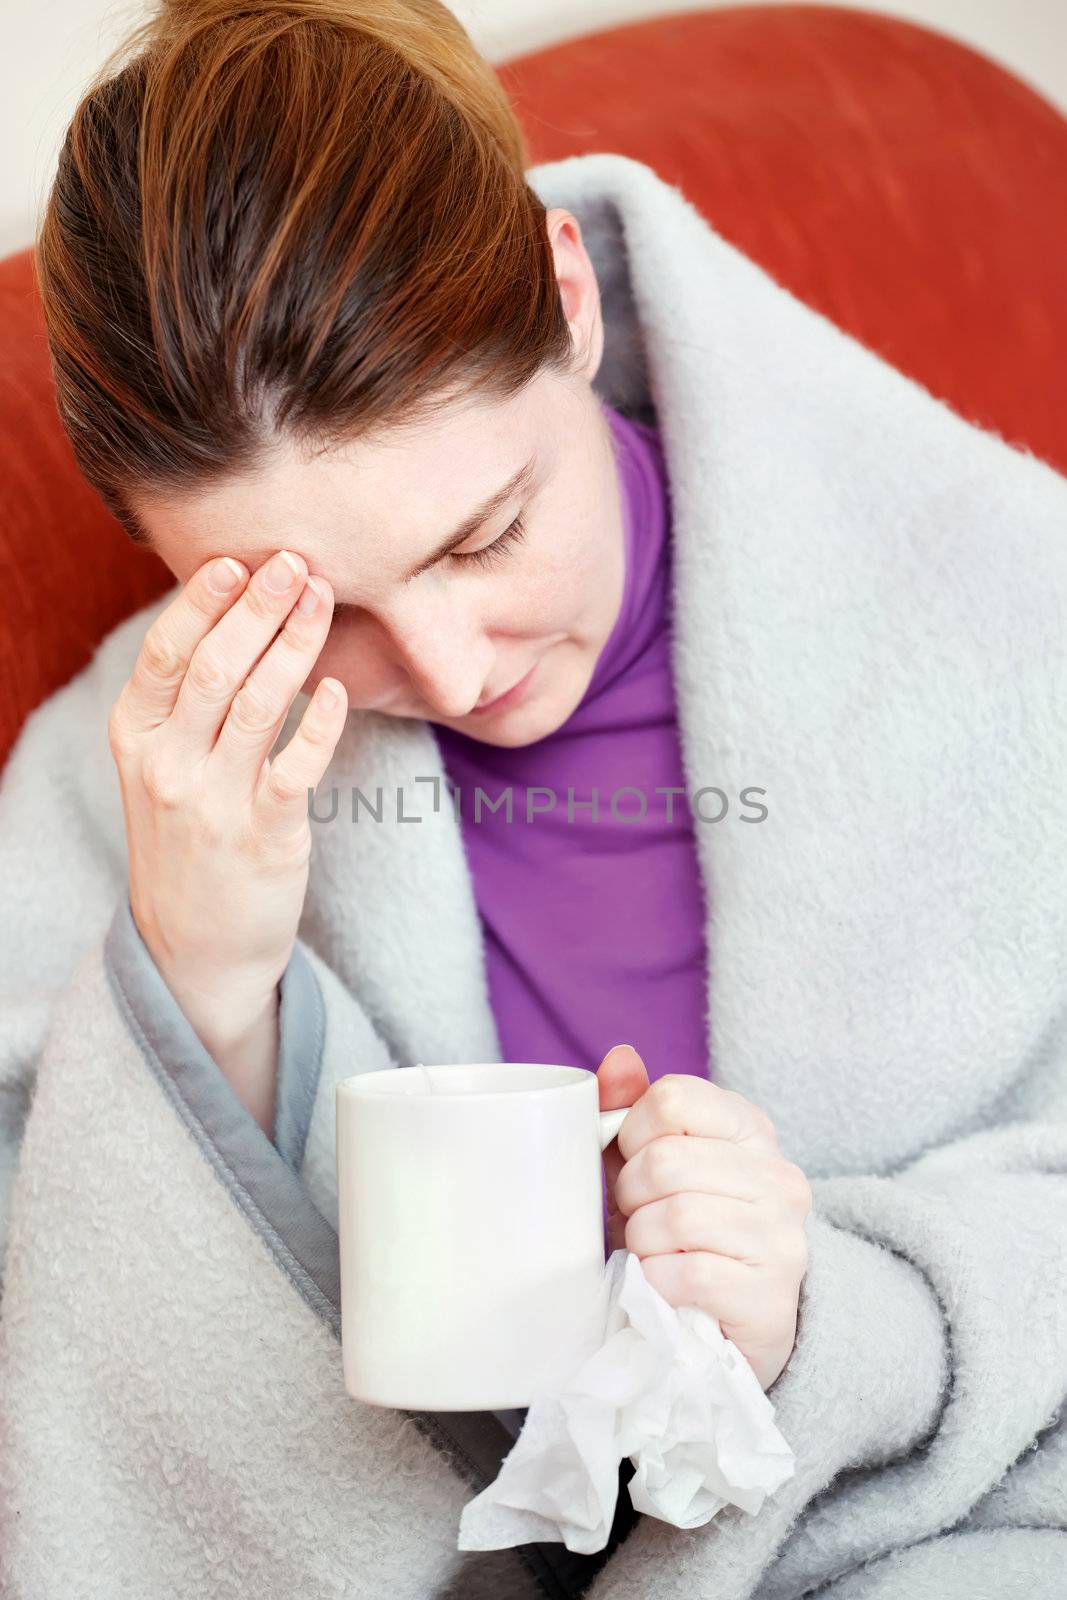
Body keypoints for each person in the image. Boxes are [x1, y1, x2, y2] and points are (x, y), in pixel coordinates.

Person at [2, 1, 1065, 1596]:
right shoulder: (130, 771)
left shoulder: (1005, 599)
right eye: (307, 608)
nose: (442, 662)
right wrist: (205, 990)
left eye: (484, 533)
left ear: (566, 297)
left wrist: (831, 1309)